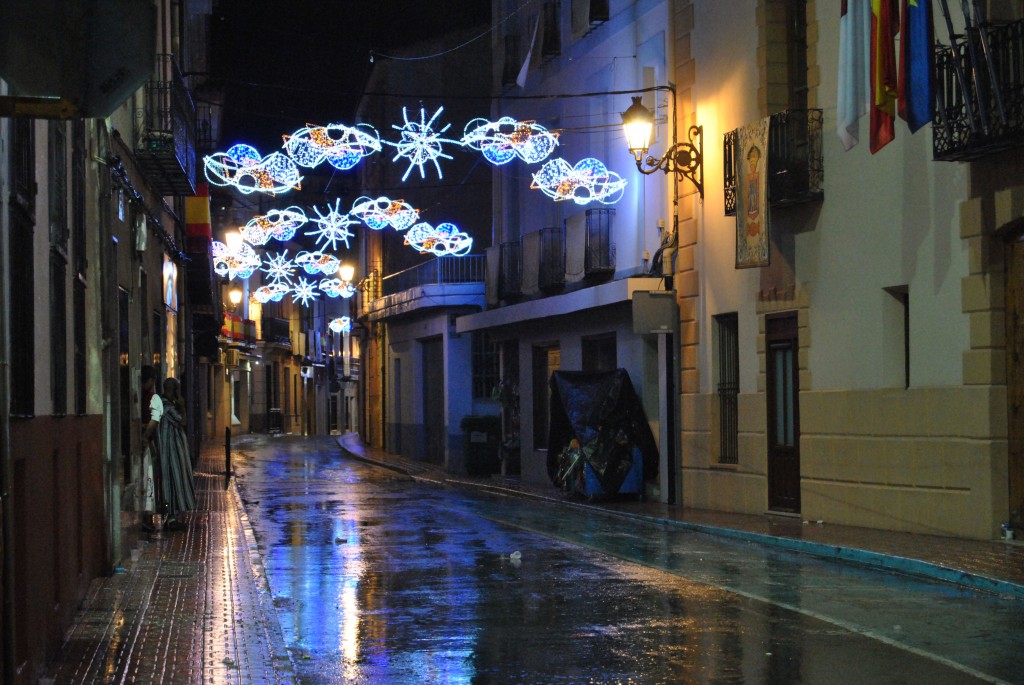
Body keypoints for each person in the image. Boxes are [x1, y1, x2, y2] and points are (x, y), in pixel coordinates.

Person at [158, 377, 196, 530]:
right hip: (170, 450)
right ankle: (170, 517)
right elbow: (182, 421)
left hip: (173, 449)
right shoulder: (167, 406)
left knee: (175, 479)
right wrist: (183, 406)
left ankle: (172, 516)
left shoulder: (164, 403)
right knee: (172, 481)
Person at [140, 365, 164, 532]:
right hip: (147, 444)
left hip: (144, 442)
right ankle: (147, 516)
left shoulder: (142, 396)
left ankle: (146, 516)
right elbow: (154, 421)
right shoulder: (153, 398)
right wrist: (146, 437)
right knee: (148, 479)